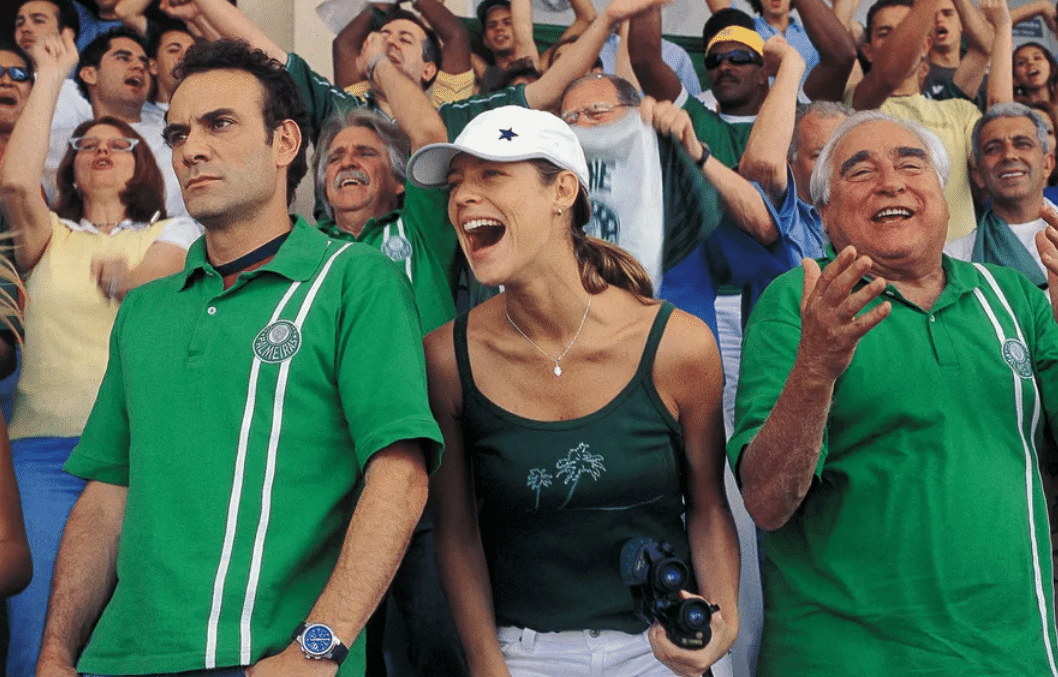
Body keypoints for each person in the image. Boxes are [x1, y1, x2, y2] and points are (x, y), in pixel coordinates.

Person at [34, 38, 441, 677]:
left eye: (219, 124)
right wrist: (57, 653)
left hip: (269, 660)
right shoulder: (145, 310)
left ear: (285, 143)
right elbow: (108, 494)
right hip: (117, 660)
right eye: (177, 133)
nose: (191, 148)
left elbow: (400, 474)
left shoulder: (354, 280)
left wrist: (318, 650)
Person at [410, 105, 739, 677]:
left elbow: (708, 506)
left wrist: (722, 622)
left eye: (490, 175)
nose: (462, 197)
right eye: (456, 183)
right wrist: (490, 667)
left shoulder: (678, 345)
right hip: (521, 657)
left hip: (662, 654)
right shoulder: (446, 358)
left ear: (563, 190)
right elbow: (457, 534)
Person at [730, 110, 1058, 675]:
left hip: (1011, 653)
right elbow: (766, 499)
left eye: (912, 164)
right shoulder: (798, 302)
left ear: (944, 191)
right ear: (824, 212)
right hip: (845, 656)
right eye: (861, 172)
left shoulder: (1013, 298)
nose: (892, 182)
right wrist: (816, 366)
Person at [0, 30, 197, 677]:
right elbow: (11, 183)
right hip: (46, 450)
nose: (104, 151)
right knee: (38, 633)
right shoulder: (48, 235)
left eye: (122, 144)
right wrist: (52, 74)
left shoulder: (176, 231)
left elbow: (151, 281)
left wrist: (125, 274)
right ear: (71, 164)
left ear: (147, 165)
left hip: (146, 451)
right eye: (88, 143)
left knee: (140, 634)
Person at [946, 103, 1055, 285]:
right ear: (978, 175)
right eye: (993, 148)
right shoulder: (956, 259)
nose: (1009, 155)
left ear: (1047, 165)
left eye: (1022, 144)